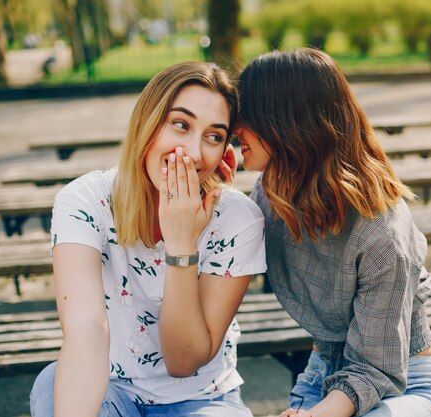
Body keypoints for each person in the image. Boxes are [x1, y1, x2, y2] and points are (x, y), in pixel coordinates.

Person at [29, 61, 267, 417]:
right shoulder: (84, 201)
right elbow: (86, 331)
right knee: (52, 384)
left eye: (214, 137)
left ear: (223, 153)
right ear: (147, 122)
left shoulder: (237, 218)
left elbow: (183, 361)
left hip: (204, 400)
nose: (193, 152)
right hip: (112, 390)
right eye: (180, 124)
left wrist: (181, 244)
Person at [235, 48, 431, 417]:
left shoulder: (380, 231)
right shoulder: (271, 193)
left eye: (247, 112)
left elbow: (378, 368)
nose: (234, 126)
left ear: (286, 121)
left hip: (405, 382)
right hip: (323, 373)